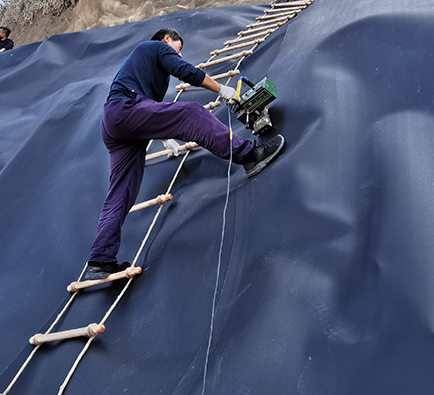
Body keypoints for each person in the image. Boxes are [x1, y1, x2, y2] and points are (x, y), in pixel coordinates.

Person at [83, 28, 285, 282]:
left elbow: (151, 114)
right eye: (178, 47)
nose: (177, 53)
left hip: (114, 122)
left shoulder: (143, 67)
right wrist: (223, 90)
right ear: (167, 39)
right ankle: (249, 156)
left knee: (122, 191)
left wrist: (166, 138)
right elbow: (186, 72)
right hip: (126, 108)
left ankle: (100, 258)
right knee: (192, 113)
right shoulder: (155, 47)